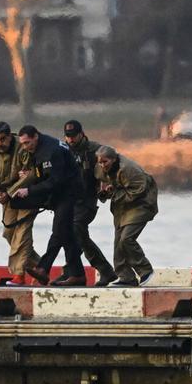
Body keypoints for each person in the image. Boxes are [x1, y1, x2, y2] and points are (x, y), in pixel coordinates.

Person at [9, 124, 86, 286]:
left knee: (59, 230)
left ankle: (43, 268)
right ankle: (77, 274)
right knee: (66, 233)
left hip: (69, 192)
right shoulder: (38, 148)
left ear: (36, 136)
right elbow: (42, 174)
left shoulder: (51, 150)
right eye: (22, 143)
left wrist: (29, 190)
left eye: (27, 143)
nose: (24, 146)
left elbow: (54, 181)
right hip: (59, 193)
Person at [0, 121, 42, 285]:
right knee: (9, 234)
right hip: (6, 197)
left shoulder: (23, 148)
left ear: (10, 136)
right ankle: (41, 267)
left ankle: (18, 275)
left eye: (2, 139)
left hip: (27, 194)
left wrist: (9, 192)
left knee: (22, 233)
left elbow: (29, 175)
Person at [62, 120, 118, 287]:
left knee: (77, 229)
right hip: (69, 200)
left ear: (81, 134)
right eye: (68, 136)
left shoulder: (94, 150)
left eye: (74, 136)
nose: (70, 140)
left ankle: (105, 270)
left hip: (87, 200)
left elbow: (111, 165)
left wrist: (106, 184)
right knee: (66, 233)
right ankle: (71, 272)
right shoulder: (62, 150)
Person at [95, 145, 157, 287]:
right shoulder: (100, 168)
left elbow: (139, 190)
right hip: (121, 207)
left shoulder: (129, 168)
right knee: (118, 242)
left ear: (114, 159)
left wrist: (115, 191)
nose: (102, 165)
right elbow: (103, 182)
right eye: (100, 162)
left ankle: (145, 269)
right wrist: (105, 191)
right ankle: (125, 276)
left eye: (105, 162)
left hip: (141, 204)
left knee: (127, 238)